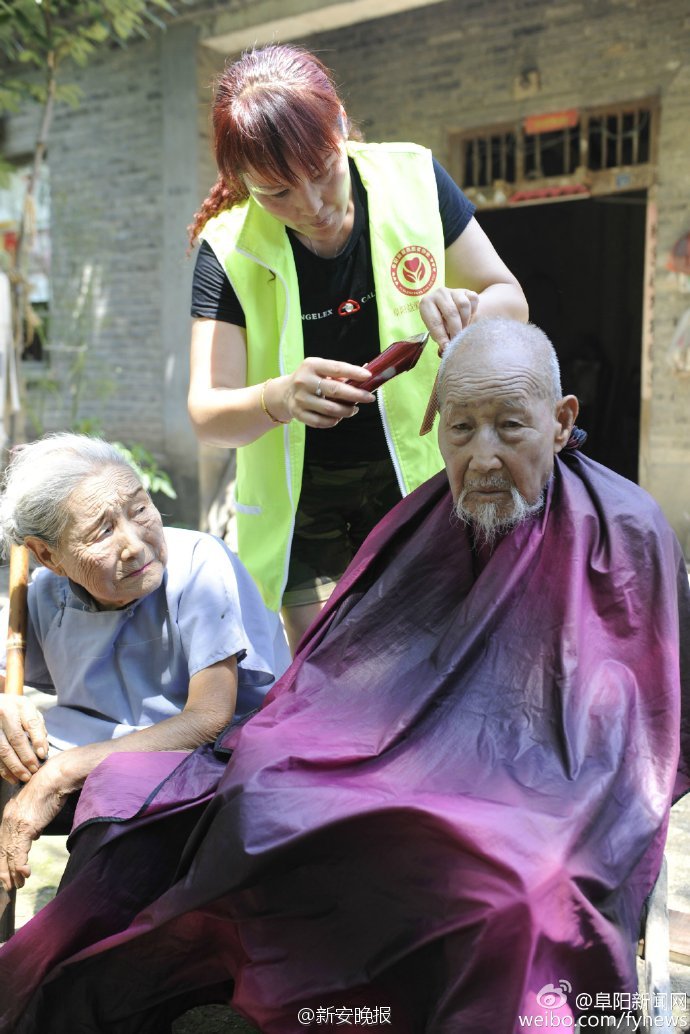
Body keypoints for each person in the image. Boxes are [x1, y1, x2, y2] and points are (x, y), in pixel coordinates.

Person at [2, 319, 688, 1033]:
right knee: (263, 799)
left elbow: (625, 730)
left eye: (509, 427)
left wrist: (502, 781)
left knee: (518, 889)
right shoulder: (424, 521)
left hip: (551, 789)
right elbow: (343, 666)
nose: (483, 457)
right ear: (434, 425)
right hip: (400, 755)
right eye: (460, 430)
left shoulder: (624, 531)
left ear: (560, 420)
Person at [187, 43, 528, 652]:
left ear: (341, 124)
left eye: (322, 171)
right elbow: (208, 415)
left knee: (438, 663)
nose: (311, 207)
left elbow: (510, 296)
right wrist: (278, 397)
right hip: (302, 509)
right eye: (277, 193)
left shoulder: (414, 178)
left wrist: (467, 309)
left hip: (421, 484)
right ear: (243, 183)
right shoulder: (229, 247)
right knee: (333, 675)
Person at [0, 433, 289, 891]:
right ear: (47, 556)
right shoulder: (44, 594)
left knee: (114, 824)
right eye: (102, 531)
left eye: (139, 510)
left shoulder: (199, 565)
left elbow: (209, 719)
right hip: (95, 757)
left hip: (206, 763)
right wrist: (5, 705)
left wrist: (62, 773)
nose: (135, 543)